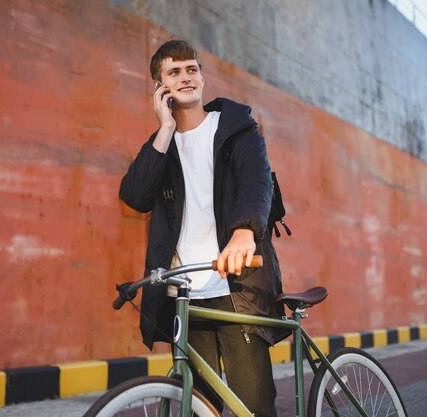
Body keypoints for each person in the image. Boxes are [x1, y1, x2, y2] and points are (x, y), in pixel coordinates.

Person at [119, 39, 288, 417]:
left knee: (254, 406)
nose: (185, 77)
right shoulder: (160, 148)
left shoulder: (236, 129)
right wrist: (164, 128)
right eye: (174, 72)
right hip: (187, 292)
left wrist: (245, 232)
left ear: (202, 77)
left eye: (191, 69)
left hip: (236, 284)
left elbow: (257, 182)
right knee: (201, 406)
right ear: (160, 87)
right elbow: (135, 196)